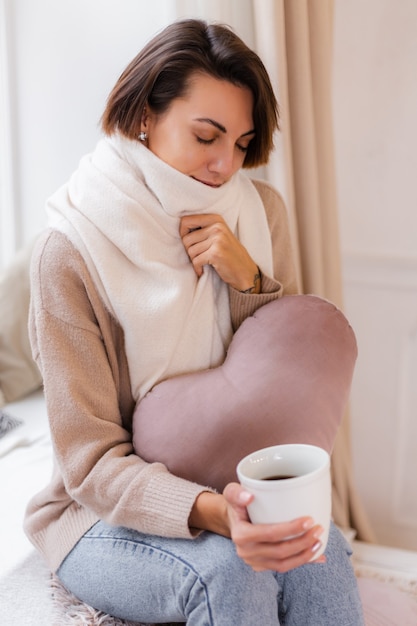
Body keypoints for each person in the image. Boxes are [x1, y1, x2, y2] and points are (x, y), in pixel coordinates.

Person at [24, 18, 364, 625]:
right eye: (206, 136)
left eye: (241, 142)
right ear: (145, 116)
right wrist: (213, 512)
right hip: (99, 515)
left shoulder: (262, 215)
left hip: (237, 482)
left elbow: (279, 378)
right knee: (230, 571)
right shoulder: (71, 249)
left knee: (324, 551)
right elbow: (88, 462)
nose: (224, 165)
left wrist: (249, 282)